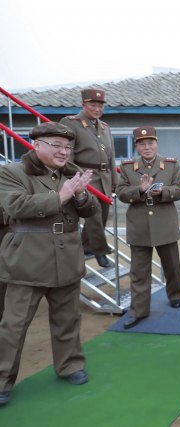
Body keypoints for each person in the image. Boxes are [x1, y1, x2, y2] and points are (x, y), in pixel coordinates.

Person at [0, 122, 98, 406]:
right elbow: (16, 206)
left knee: (68, 319)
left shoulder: (71, 174)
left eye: (67, 147)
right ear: (37, 145)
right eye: (56, 145)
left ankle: (70, 365)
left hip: (66, 257)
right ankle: (2, 378)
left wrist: (81, 194)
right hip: (27, 260)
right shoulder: (12, 172)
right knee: (14, 325)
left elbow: (91, 209)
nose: (63, 151)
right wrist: (63, 195)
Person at [116, 126, 180, 329]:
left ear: (156, 143)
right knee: (139, 271)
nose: (147, 147)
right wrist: (139, 190)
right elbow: (121, 192)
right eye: (142, 144)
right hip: (139, 224)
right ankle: (138, 310)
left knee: (171, 266)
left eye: (150, 143)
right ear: (137, 146)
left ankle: (175, 295)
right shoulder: (128, 167)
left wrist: (163, 192)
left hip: (165, 222)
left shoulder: (171, 165)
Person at [60, 88, 117, 268]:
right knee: (94, 214)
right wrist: (74, 178)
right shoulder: (71, 123)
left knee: (102, 216)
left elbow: (111, 157)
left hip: (104, 177)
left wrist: (114, 181)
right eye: (93, 105)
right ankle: (100, 251)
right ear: (83, 104)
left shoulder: (105, 127)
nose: (97, 109)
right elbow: (68, 154)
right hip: (85, 177)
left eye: (100, 105)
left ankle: (87, 246)